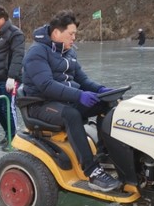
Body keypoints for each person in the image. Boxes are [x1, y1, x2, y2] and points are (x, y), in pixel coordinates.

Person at [22, 10, 122, 192]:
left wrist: (101, 90)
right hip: (40, 104)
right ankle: (92, 172)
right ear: (56, 33)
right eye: (71, 34)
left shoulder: (69, 53)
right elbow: (46, 85)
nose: (74, 38)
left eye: (75, 34)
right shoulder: (37, 52)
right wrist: (79, 96)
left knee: (107, 105)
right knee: (72, 115)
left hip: (65, 100)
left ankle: (104, 155)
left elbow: (83, 80)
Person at [0, 6, 25, 151]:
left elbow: (18, 56)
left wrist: (12, 77)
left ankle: (14, 137)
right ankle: (8, 132)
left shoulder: (16, 34)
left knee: (9, 108)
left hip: (10, 79)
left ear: (2, 19)